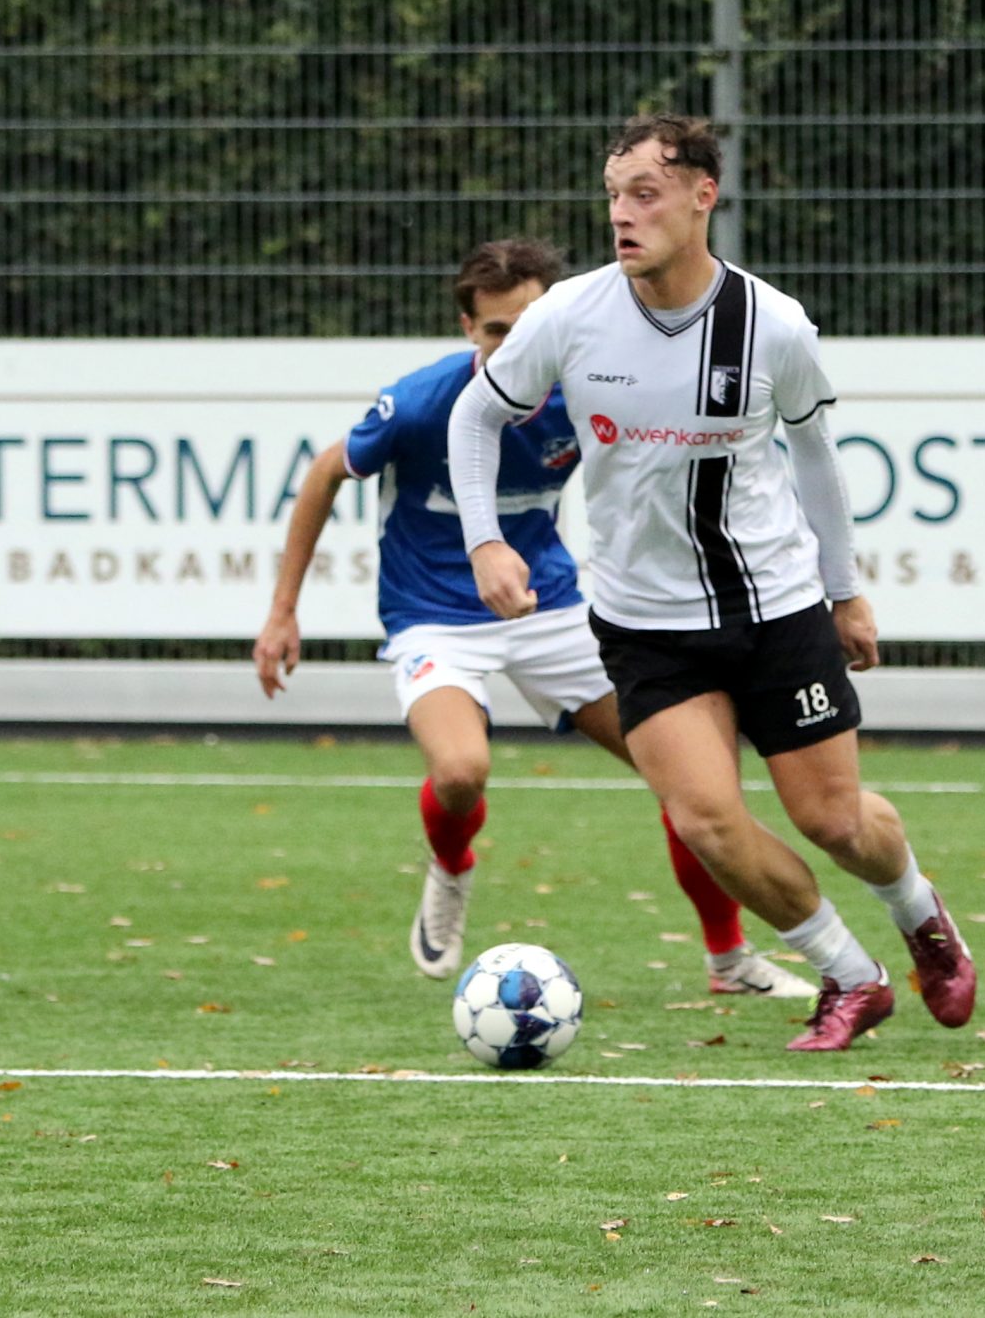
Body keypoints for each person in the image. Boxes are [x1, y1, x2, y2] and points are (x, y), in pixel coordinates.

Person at [445, 115, 976, 1053]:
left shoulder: (772, 324)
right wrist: (487, 541)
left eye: (644, 193)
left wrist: (844, 591)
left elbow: (816, 456)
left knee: (836, 820)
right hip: (643, 623)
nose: (623, 215)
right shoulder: (568, 314)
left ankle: (921, 914)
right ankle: (853, 979)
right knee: (705, 820)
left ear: (703, 197)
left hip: (775, 609)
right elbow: (474, 417)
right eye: (613, 195)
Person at [253, 237, 815, 1004]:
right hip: (434, 618)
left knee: (687, 779)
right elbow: (325, 474)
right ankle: (451, 866)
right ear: (466, 329)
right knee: (460, 772)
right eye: (494, 332)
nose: (512, 346)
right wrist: (284, 611)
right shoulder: (421, 404)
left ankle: (728, 959)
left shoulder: (581, 392)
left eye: (527, 327)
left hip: (550, 608)